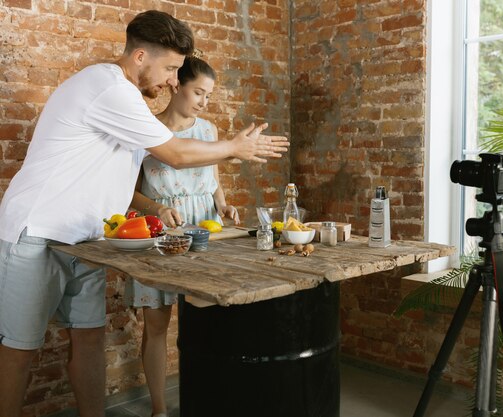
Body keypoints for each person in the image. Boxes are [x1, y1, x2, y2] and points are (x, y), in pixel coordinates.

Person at [0, 10, 288, 417]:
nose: (174, 80)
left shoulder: (128, 99)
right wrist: (234, 148)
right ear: (139, 57)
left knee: (89, 339)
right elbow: (174, 153)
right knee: (19, 349)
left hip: (87, 242)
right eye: (170, 68)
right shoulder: (108, 88)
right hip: (37, 233)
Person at [125, 56, 239, 417]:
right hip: (162, 231)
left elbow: (214, 179)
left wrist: (222, 206)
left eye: (208, 95)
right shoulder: (147, 130)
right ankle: (160, 409)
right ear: (176, 85)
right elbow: (128, 193)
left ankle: (208, 400)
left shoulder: (208, 131)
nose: (204, 102)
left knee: (207, 319)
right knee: (156, 324)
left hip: (204, 228)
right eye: (198, 93)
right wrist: (156, 209)